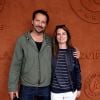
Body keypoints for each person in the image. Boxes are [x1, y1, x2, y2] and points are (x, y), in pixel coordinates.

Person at [8, 9, 80, 100]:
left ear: (46, 25)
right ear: (32, 22)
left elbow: (64, 46)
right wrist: (12, 87)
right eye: (37, 21)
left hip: (46, 87)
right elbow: (15, 65)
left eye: (43, 22)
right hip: (27, 87)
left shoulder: (50, 41)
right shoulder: (22, 40)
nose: (40, 24)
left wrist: (76, 51)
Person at [51, 25, 81, 100]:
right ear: (56, 36)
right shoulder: (51, 51)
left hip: (70, 91)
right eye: (58, 34)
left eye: (64, 33)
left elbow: (77, 71)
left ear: (67, 36)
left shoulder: (73, 51)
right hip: (55, 92)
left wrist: (79, 88)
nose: (61, 36)